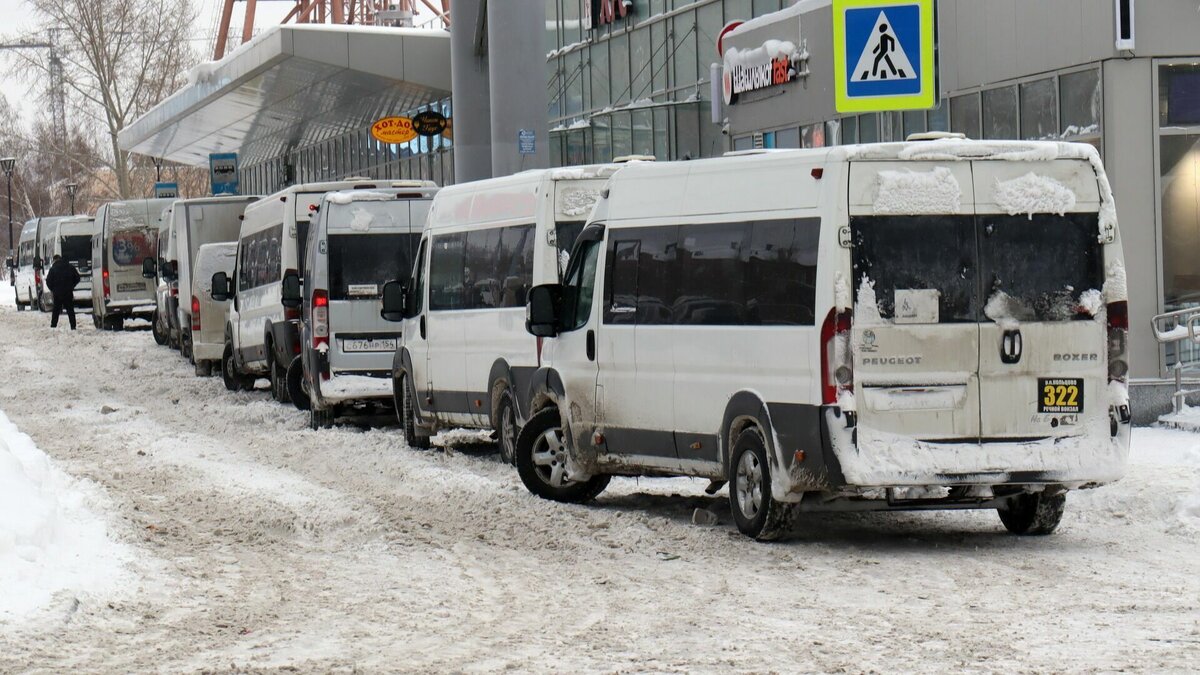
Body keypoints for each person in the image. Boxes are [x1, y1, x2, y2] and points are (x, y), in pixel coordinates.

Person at [45, 254, 81, 330]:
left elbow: (48, 281)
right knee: (70, 310)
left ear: (54, 260)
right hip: (68, 292)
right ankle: (73, 326)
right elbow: (77, 278)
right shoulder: (69, 267)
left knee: (56, 310)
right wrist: (72, 286)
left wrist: (53, 289)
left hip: (57, 293)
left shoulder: (53, 269)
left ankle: (53, 325)